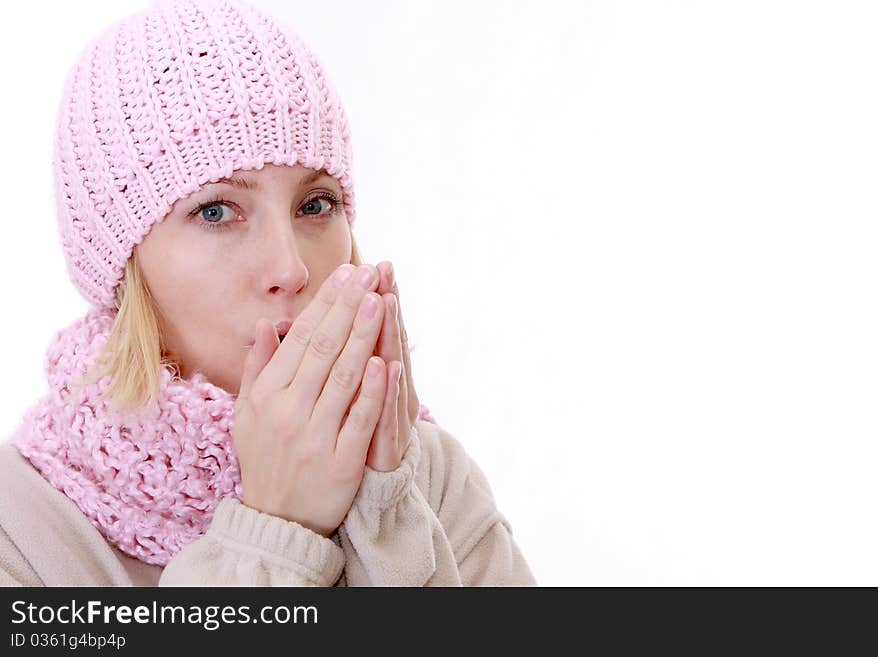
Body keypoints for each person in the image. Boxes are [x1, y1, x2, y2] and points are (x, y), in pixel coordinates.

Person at [0, 0, 535, 586]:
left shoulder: (425, 477)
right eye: (216, 211)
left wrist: (388, 521)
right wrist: (275, 534)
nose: (291, 268)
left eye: (315, 205)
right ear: (121, 265)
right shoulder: (20, 530)